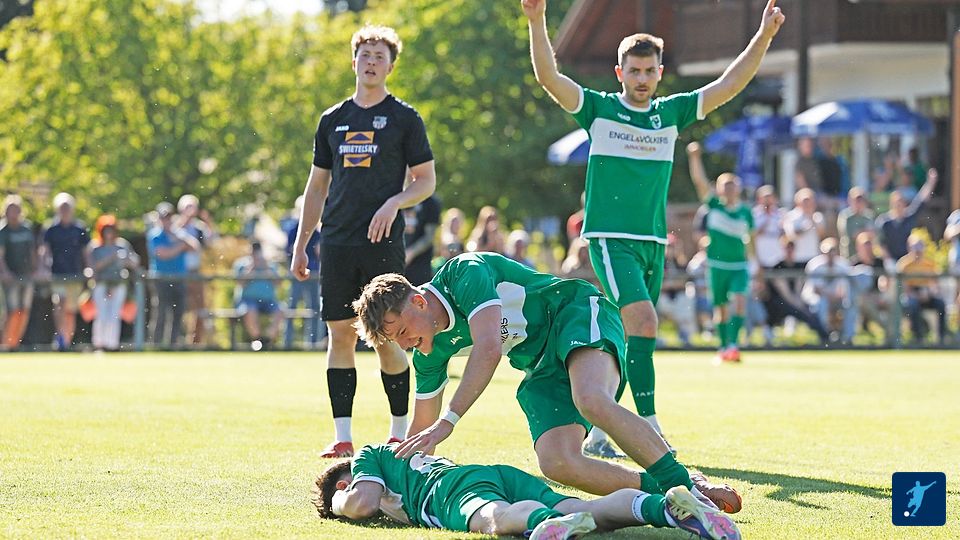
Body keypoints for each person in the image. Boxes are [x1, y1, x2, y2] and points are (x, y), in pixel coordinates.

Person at [522, 0, 784, 443]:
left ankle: (601, 429)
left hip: (653, 242)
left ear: (660, 73)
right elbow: (550, 78)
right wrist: (536, 20)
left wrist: (764, 36)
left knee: (632, 333)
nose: (642, 78)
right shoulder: (599, 110)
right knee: (644, 322)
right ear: (619, 72)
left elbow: (730, 84)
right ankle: (648, 425)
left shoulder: (671, 113)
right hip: (611, 238)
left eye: (649, 71)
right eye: (634, 71)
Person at [352, 253, 742, 514]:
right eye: (395, 341)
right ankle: (667, 491)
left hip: (574, 313)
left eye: (401, 331)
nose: (405, 344)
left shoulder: (463, 272)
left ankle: (689, 490)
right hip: (540, 364)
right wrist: (389, 475)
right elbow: (422, 433)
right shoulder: (428, 353)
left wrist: (449, 420)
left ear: (419, 302)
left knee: (590, 398)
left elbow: (488, 348)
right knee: (556, 461)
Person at [290, 24, 437, 458]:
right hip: (337, 241)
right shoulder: (331, 120)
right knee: (339, 334)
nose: (371, 61)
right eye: (365, 55)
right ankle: (342, 437)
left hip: (382, 243)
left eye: (380, 56)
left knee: (387, 334)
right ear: (354, 61)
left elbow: (426, 180)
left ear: (390, 66)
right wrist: (301, 244)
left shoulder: (405, 118)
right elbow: (317, 187)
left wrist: (395, 202)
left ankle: (399, 432)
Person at [313, 443, 740, 540]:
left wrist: (337, 501)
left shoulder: (370, 456)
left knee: (492, 518)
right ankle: (666, 508)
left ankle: (545, 525)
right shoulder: (400, 458)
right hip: (488, 472)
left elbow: (362, 504)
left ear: (347, 479)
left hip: (446, 491)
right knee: (585, 508)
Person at [687, 142, 754, 363]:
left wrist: (756, 262)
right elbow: (699, 181)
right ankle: (723, 347)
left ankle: (734, 345)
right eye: (725, 186)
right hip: (717, 266)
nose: (729, 190)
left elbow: (751, 239)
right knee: (721, 308)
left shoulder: (745, 212)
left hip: (739, 265)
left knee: (740, 300)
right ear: (718, 188)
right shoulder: (713, 206)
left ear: (738, 189)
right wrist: (695, 158)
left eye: (732, 186)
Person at [41, 192, 90, 351]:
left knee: (70, 310)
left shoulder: (79, 228)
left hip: (75, 274)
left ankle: (67, 340)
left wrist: (89, 268)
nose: (65, 211)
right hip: (57, 274)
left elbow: (86, 252)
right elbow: (45, 251)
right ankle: (60, 337)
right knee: (60, 303)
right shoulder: (51, 229)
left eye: (67, 208)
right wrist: (44, 268)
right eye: (62, 208)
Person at [147, 202, 198, 347]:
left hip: (179, 278)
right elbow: (163, 254)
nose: (166, 221)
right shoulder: (154, 235)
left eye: (168, 217)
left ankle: (173, 343)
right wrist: (180, 246)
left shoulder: (179, 233)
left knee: (178, 312)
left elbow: (195, 247)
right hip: (161, 279)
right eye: (163, 218)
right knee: (161, 312)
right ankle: (157, 344)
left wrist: (179, 238)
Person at [88, 216, 140, 351]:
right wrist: (111, 258)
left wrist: (126, 260)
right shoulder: (95, 247)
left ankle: (112, 344)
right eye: (106, 230)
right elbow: (93, 267)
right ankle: (99, 344)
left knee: (114, 314)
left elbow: (135, 262)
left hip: (119, 284)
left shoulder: (122, 245)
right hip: (101, 284)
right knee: (101, 314)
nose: (109, 233)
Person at [877, 168, 938, 268]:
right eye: (896, 203)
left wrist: (931, 182)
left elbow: (921, 200)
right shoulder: (884, 222)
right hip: (890, 263)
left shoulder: (909, 217)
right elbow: (881, 244)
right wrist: (888, 261)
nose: (899, 205)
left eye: (901, 202)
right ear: (891, 204)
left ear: (904, 203)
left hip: (907, 263)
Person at [176, 194, 216, 346]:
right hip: (178, 272)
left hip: (194, 271)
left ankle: (194, 342)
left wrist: (208, 222)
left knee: (199, 308)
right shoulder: (175, 225)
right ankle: (175, 340)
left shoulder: (199, 228)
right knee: (178, 306)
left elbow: (211, 241)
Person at [285, 196, 324, 350]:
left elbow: (319, 252)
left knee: (313, 308)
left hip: (312, 274)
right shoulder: (293, 230)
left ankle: (312, 342)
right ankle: (288, 342)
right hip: (297, 273)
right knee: (292, 308)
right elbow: (289, 251)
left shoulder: (316, 232)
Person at [0, 195, 39, 349]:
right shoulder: (3, 231)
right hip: (11, 278)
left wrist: (35, 269)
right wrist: (5, 272)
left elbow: (33, 251)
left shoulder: (26, 229)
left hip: (27, 276)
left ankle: (15, 342)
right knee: (12, 310)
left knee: (24, 311)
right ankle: (6, 343)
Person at [801, 238, 855, 344]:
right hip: (815, 296)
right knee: (821, 303)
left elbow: (845, 287)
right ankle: (824, 336)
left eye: (832, 251)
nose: (830, 254)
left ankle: (847, 338)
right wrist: (831, 297)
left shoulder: (843, 264)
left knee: (850, 304)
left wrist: (838, 296)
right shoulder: (814, 265)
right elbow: (816, 290)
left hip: (836, 297)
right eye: (827, 252)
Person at [896, 234, 948, 344]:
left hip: (927, 294)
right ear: (909, 248)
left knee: (941, 304)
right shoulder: (904, 264)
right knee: (913, 305)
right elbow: (904, 289)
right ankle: (918, 338)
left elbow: (936, 286)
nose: (918, 250)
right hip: (911, 295)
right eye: (915, 247)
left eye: (920, 247)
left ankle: (941, 338)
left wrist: (929, 293)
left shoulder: (930, 264)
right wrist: (917, 295)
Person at [234, 242, 284, 350]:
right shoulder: (241, 264)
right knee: (250, 310)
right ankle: (257, 339)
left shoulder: (270, 265)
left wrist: (267, 268)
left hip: (268, 301)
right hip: (248, 300)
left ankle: (268, 339)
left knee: (280, 310)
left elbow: (279, 283)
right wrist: (251, 268)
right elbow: (240, 283)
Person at [403, 194, 441, 285]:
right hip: (397, 260)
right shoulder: (396, 196)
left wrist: (410, 253)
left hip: (420, 266)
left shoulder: (431, 203)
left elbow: (429, 237)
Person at [783, 188, 824, 266]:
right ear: (798, 202)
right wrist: (806, 227)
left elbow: (821, 235)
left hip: (814, 257)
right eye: (805, 201)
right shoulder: (791, 216)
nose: (808, 204)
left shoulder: (817, 216)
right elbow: (791, 236)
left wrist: (813, 220)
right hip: (797, 258)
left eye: (810, 201)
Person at [752, 185, 785, 270]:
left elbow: (784, 234)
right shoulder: (754, 214)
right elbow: (752, 234)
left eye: (770, 197)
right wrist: (766, 220)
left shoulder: (781, 214)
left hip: (777, 255)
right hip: (759, 254)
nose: (768, 200)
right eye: (765, 197)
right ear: (759, 199)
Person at [836, 187, 875, 260]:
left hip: (866, 258)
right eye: (856, 200)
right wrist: (865, 232)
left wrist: (862, 232)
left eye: (861, 200)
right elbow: (850, 234)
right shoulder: (845, 216)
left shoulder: (869, 215)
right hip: (849, 256)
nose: (859, 202)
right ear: (850, 200)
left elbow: (873, 234)